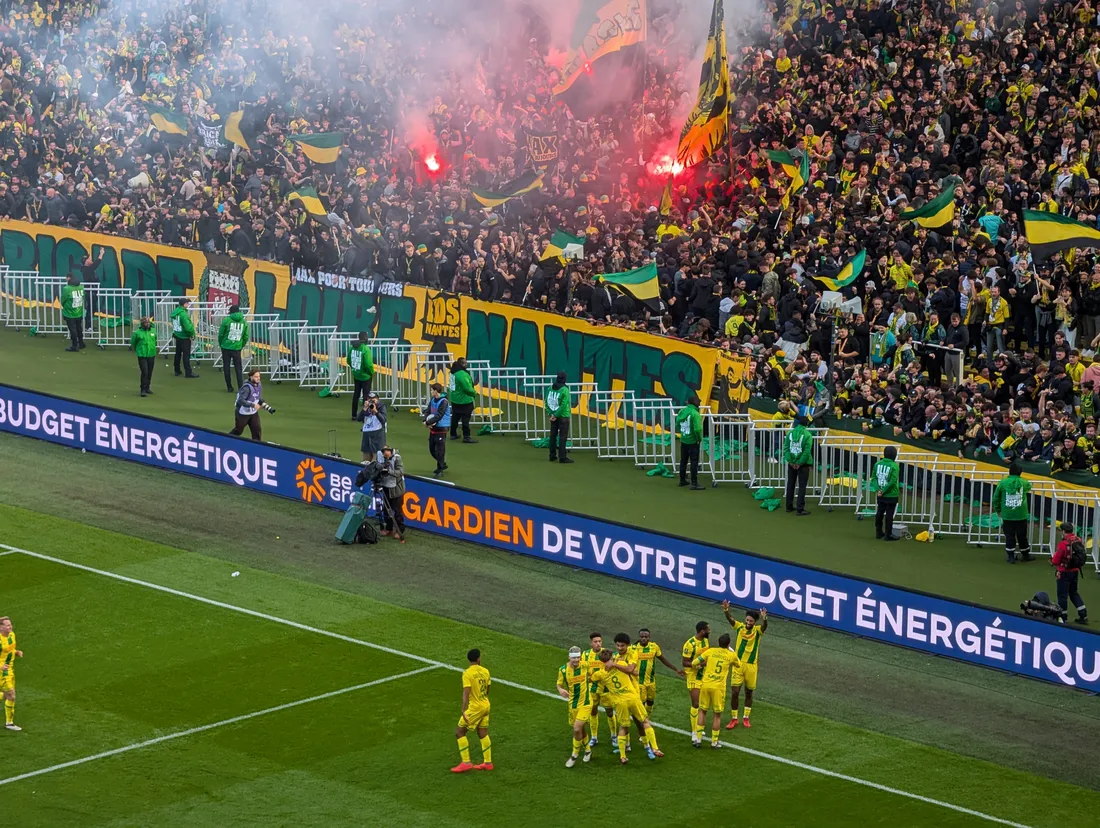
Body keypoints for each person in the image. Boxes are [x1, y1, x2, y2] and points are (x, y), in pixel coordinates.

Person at [593, 639, 662, 763]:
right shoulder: (623, 664)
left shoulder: (600, 674)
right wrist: (617, 664)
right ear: (612, 657)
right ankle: (654, 748)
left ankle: (623, 756)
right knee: (644, 721)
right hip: (633, 697)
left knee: (623, 727)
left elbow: (590, 678)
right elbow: (634, 672)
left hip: (619, 702)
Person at [722, 601, 767, 730]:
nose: (748, 622)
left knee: (749, 692)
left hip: (751, 666)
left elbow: (764, 627)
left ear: (755, 622)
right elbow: (731, 620)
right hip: (738, 664)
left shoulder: (758, 631)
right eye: (747, 620)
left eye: (751, 621)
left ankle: (746, 718)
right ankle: (734, 719)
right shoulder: (740, 627)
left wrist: (765, 618)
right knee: (735, 692)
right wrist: (726, 610)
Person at [691, 633, 738, 748]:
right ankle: (714, 742)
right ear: (728, 644)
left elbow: (694, 663)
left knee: (702, 711)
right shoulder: (731, 655)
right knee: (717, 715)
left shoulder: (710, 651)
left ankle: (698, 740)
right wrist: (731, 652)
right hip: (718, 688)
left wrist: (700, 666)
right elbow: (738, 664)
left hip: (706, 685)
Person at [453, 648, 492, 773]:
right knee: (482, 733)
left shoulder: (467, 673)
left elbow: (466, 691)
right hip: (486, 705)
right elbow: (488, 689)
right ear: (478, 659)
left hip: (475, 708)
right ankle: (488, 763)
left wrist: (464, 709)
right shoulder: (486, 671)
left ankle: (466, 762)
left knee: (459, 732)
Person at [629, 628, 683, 717]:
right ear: (639, 637)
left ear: (649, 637)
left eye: (646, 637)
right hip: (639, 681)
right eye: (642, 636)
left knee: (650, 701)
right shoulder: (633, 648)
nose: (644, 638)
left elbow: (662, 659)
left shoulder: (654, 647)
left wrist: (675, 669)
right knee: (641, 703)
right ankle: (642, 723)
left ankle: (646, 717)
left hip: (651, 681)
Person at [556, 646, 594, 767]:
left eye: (578, 657)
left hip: (586, 703)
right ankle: (588, 750)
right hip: (573, 704)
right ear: (569, 657)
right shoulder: (563, 670)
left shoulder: (586, 665)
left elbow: (592, 676)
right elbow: (559, 684)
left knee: (577, 728)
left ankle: (574, 755)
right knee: (581, 729)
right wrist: (560, 690)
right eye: (574, 658)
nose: (576, 660)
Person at [992, 463, 1032, 563]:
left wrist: (998, 510)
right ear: (1020, 473)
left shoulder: (1002, 483)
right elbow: (1028, 487)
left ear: (1009, 472)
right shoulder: (1024, 482)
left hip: (1007, 515)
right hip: (1021, 514)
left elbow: (996, 498)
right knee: (1022, 535)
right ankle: (1025, 555)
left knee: (1009, 535)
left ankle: (1011, 556)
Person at [580, 632, 614, 748]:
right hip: (592, 689)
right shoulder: (585, 655)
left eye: (600, 641)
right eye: (595, 642)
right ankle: (594, 737)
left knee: (610, 712)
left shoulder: (607, 653)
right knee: (593, 712)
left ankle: (613, 736)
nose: (598, 644)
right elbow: (582, 670)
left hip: (606, 689)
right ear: (591, 643)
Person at [1052, 524, 1089, 624]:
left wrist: (1052, 561)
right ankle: (1083, 614)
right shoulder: (1078, 540)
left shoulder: (1063, 544)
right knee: (1074, 593)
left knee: (1062, 596)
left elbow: (1055, 560)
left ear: (1063, 531)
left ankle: (1063, 618)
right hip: (1075, 571)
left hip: (1063, 573)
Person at [681, 620, 710, 746]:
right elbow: (685, 662)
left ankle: (699, 726)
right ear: (702, 631)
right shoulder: (690, 644)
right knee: (696, 703)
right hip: (693, 676)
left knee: (703, 703)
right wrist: (698, 665)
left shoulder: (706, 641)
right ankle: (694, 732)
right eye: (708, 629)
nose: (709, 631)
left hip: (703, 676)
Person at [783, 416, 814, 516]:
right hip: (803, 464)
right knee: (802, 486)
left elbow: (786, 448)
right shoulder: (808, 435)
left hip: (791, 463)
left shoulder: (790, 433)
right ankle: (800, 509)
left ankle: (789, 506)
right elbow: (806, 451)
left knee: (790, 484)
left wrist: (791, 461)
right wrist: (800, 463)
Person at [376, 445, 407, 542]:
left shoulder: (397, 458)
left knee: (397, 511)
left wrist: (389, 471)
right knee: (386, 509)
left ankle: (400, 531)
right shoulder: (380, 456)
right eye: (384, 452)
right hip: (385, 486)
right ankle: (389, 528)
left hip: (396, 489)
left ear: (390, 451)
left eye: (387, 452)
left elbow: (401, 472)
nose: (385, 454)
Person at [231, 370, 272, 441]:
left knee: (257, 430)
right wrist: (253, 405)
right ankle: (226, 439)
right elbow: (241, 400)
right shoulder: (246, 388)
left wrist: (262, 403)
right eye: (256, 377)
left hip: (253, 412)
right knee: (238, 430)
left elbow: (257, 396)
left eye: (259, 376)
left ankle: (257, 446)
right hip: (242, 412)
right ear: (251, 377)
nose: (258, 378)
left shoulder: (259, 385)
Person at [870, 446, 901, 541]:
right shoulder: (894, 466)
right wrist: (884, 490)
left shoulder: (877, 464)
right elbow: (892, 481)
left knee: (879, 512)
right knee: (889, 515)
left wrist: (878, 490)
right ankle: (888, 534)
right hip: (891, 494)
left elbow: (873, 478)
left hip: (880, 494)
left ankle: (878, 532)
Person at [675, 394, 705, 490]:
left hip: (684, 439)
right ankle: (694, 483)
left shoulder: (682, 411)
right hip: (693, 441)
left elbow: (677, 423)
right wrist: (698, 438)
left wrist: (683, 433)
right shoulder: (695, 414)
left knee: (683, 460)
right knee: (694, 462)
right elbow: (698, 429)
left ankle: (682, 480)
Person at [218, 304, 249, 393]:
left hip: (226, 347)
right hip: (237, 347)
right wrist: (241, 345)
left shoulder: (226, 320)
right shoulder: (243, 321)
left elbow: (221, 334)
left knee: (226, 367)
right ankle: (240, 387)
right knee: (238, 368)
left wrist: (221, 343)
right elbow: (246, 336)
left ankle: (229, 387)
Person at [423, 382, 451, 477]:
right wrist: (425, 420)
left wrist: (428, 423)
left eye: (431, 390)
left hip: (442, 427)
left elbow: (439, 415)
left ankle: (440, 469)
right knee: (432, 449)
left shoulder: (444, 402)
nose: (430, 392)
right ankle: (442, 463)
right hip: (433, 427)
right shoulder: (433, 399)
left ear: (435, 391)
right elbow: (428, 411)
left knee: (440, 449)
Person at [447, 358, 478, 443]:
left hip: (454, 398)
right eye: (464, 363)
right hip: (464, 400)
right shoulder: (462, 374)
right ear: (461, 364)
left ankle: (453, 434)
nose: (466, 365)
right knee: (465, 419)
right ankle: (466, 436)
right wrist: (474, 393)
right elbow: (467, 388)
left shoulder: (453, 372)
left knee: (455, 417)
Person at [0, 616, 23, 731]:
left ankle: (9, 723)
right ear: (1, 627)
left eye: (10, 624)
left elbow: (10, 649)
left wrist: (16, 652)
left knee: (9, 696)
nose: (10, 626)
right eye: (7, 625)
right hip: (2, 672)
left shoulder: (12, 635)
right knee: (11, 695)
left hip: (10, 669)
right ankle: (9, 723)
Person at [545, 371, 573, 464]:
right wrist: (557, 414)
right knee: (562, 437)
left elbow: (547, 401)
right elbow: (564, 404)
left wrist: (552, 414)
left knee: (553, 435)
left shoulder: (550, 388)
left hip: (553, 414)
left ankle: (552, 455)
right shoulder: (565, 389)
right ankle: (562, 457)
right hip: (563, 416)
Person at [347, 332, 375, 420]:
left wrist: (354, 368)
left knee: (356, 394)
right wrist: (371, 372)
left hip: (356, 374)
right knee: (366, 396)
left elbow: (348, 360)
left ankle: (354, 415)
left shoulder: (352, 347)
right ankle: (364, 415)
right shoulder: (366, 349)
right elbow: (368, 364)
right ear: (365, 338)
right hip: (365, 376)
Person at [130, 316, 158, 397]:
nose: (148, 324)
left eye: (149, 323)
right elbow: (133, 343)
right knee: (144, 372)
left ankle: (147, 387)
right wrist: (138, 350)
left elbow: (155, 340)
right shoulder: (137, 333)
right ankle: (142, 389)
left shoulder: (153, 331)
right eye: (146, 323)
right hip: (142, 354)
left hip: (151, 354)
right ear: (142, 324)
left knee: (150, 371)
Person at [171, 297, 198, 378]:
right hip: (184, 336)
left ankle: (177, 370)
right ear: (184, 304)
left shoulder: (175, 312)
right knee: (186, 355)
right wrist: (192, 334)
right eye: (187, 303)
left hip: (177, 334)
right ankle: (188, 372)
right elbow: (188, 327)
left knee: (178, 353)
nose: (188, 304)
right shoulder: (183, 314)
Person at [358, 391, 387, 463]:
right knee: (365, 460)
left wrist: (375, 411)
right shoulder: (366, 407)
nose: (371, 401)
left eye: (373, 399)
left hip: (377, 436)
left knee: (376, 461)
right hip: (367, 435)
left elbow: (383, 420)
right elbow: (358, 418)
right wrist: (364, 408)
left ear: (377, 399)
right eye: (369, 399)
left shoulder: (381, 406)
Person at [61, 274, 86, 352]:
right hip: (78, 311)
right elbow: (83, 297)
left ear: (69, 278)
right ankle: (81, 343)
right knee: (79, 328)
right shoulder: (81, 287)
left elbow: (63, 300)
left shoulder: (66, 289)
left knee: (73, 330)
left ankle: (74, 346)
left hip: (69, 312)